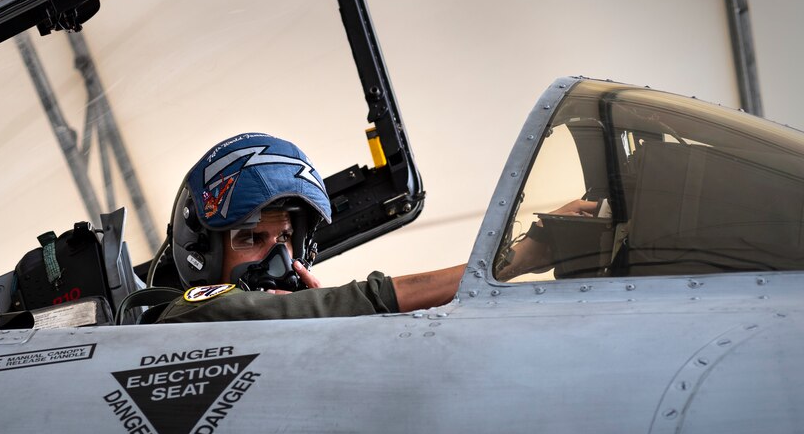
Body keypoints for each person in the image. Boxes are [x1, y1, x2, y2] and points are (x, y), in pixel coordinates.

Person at [151, 133, 592, 323]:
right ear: (202, 251)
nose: (277, 257)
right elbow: (362, 302)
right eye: (250, 238)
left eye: (285, 237)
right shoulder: (190, 315)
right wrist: (518, 258)